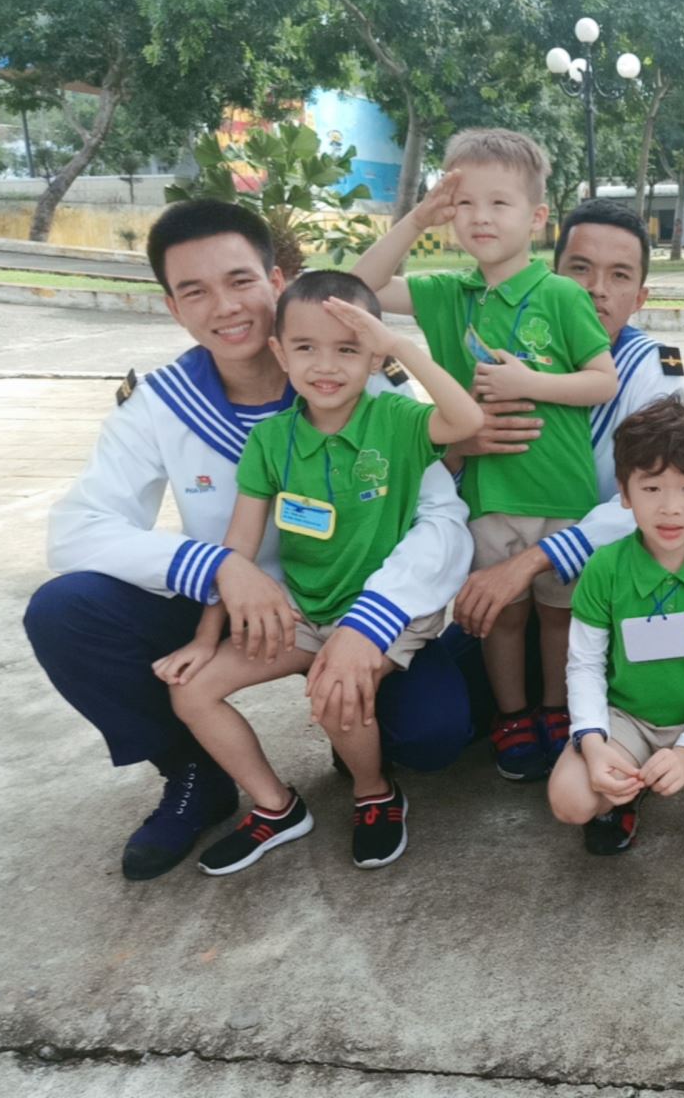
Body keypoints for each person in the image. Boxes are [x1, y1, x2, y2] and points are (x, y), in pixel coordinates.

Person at [24, 200, 476, 882]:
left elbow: (439, 520)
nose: (225, 307)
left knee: (433, 737)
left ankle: (371, 759)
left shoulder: (366, 389)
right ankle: (196, 775)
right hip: (236, 607)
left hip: (358, 599)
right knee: (65, 610)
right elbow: (77, 528)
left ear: (276, 279)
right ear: (173, 308)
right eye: (195, 291)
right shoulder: (161, 404)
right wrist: (213, 568)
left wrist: (372, 621)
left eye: (239, 280)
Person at [154, 273, 483, 874]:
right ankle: (276, 807)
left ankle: (373, 792)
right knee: (190, 690)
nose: (326, 366)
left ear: (373, 357)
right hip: (305, 609)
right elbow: (237, 548)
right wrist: (204, 638)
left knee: (338, 688)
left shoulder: (398, 420)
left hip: (386, 612)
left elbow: (464, 420)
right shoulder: (269, 441)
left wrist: (399, 345)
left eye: (348, 349)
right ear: (279, 352)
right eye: (306, 347)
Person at [353, 129, 620, 783]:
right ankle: (512, 716)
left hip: (560, 495)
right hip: (486, 494)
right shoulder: (447, 293)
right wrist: (416, 219)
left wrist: (530, 383)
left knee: (559, 618)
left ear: (536, 217)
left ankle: (556, 710)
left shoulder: (561, 295)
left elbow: (602, 381)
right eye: (464, 202)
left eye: (500, 203)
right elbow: (357, 287)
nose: (480, 217)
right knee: (501, 618)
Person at [451, 200, 684, 681]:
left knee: (649, 692)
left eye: (619, 275)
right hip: (504, 583)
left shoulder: (652, 373)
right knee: (445, 712)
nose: (597, 289)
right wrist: (457, 450)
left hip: (610, 586)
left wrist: (534, 561)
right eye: (580, 268)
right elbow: (438, 486)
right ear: (550, 277)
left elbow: (656, 502)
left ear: (640, 297)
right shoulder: (500, 360)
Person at [548, 398, 684, 860]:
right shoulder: (604, 567)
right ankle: (625, 792)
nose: (670, 508)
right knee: (570, 800)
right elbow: (584, 664)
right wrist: (592, 742)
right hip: (625, 716)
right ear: (625, 492)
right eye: (650, 488)